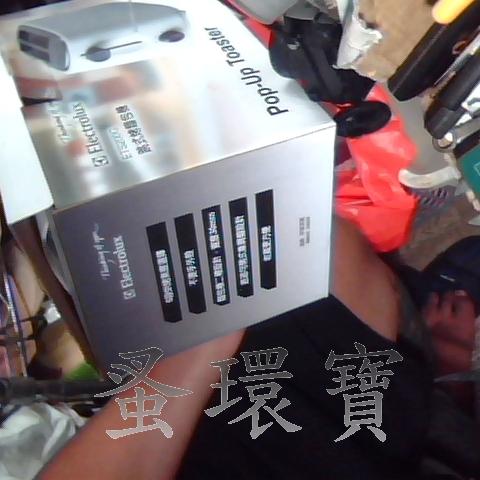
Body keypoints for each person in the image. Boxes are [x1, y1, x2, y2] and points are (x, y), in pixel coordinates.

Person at [38, 217, 478, 479]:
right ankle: (444, 377)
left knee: (308, 233)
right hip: (374, 436)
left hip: (225, 420)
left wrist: (207, 329)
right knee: (319, 239)